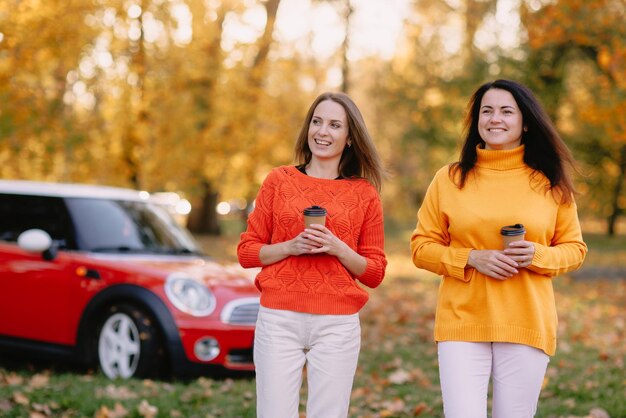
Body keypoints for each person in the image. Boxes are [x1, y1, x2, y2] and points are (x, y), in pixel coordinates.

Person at [410, 79, 587, 418]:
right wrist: (471, 258)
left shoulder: (549, 182)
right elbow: (421, 247)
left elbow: (574, 249)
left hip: (525, 321)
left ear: (525, 122)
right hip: (462, 322)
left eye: (507, 111)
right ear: (476, 121)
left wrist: (537, 255)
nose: (495, 119)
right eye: (486, 111)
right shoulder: (449, 179)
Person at [237, 92, 387, 418]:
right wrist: (291, 246)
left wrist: (337, 247)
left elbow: (374, 272)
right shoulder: (279, 181)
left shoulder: (364, 193)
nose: (323, 131)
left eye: (335, 125)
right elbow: (247, 252)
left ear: (349, 138)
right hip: (279, 319)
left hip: (337, 324)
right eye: (317, 122)